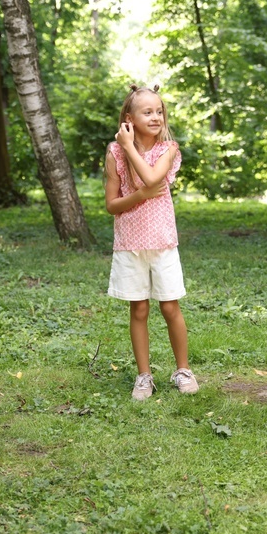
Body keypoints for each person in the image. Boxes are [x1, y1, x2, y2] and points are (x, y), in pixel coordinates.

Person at [104, 84, 197, 401]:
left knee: (170, 306)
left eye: (159, 111)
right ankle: (144, 376)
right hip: (129, 243)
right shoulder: (113, 153)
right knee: (139, 309)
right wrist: (139, 194)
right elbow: (111, 205)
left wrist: (129, 147)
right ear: (129, 118)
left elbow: (153, 179)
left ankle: (183, 369)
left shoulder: (168, 149)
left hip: (162, 242)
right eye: (148, 112)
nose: (156, 117)